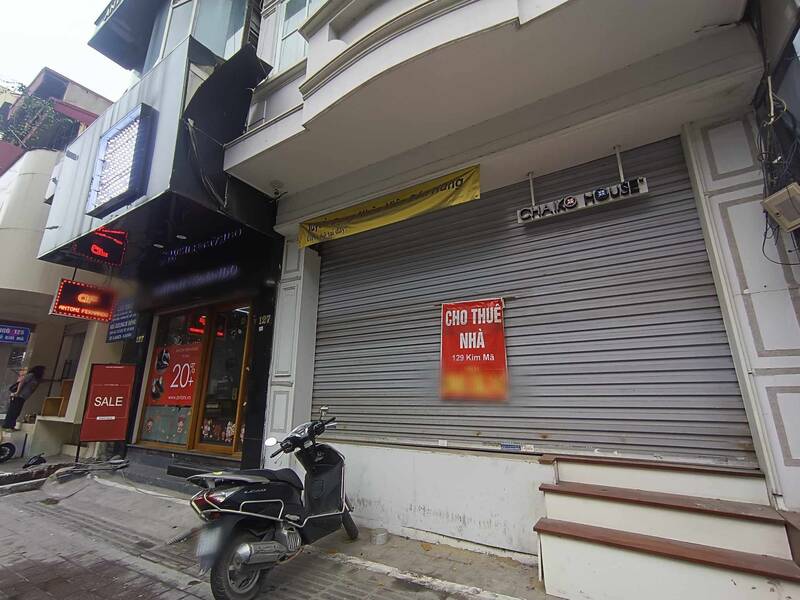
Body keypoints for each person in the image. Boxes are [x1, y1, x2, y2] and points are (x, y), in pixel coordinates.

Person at [3, 366, 45, 431]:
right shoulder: (31, 375)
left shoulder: (36, 379)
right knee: (13, 411)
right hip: (18, 395)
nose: (43, 373)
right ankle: (7, 426)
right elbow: (22, 382)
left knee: (17, 412)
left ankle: (11, 426)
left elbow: (32, 389)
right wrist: (17, 392)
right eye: (42, 371)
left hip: (23, 397)